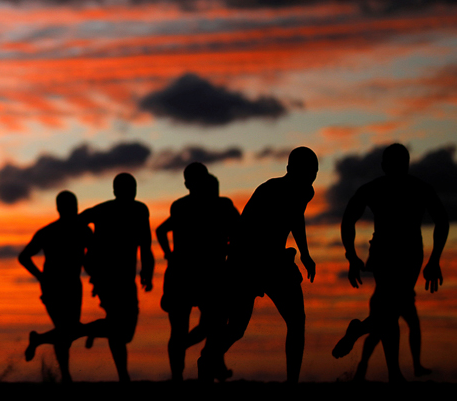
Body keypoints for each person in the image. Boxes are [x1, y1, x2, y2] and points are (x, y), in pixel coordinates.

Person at [199, 147, 318, 384]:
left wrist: (305, 254)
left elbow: (296, 218)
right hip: (248, 262)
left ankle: (292, 381)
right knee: (237, 328)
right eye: (303, 171)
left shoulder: (306, 191)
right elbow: (245, 230)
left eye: (311, 172)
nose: (308, 177)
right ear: (289, 170)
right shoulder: (270, 189)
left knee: (296, 320)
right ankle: (207, 360)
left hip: (275, 261)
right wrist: (234, 263)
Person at [331, 143, 448, 382]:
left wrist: (352, 256)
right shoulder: (419, 188)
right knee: (392, 310)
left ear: (384, 165)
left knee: (390, 310)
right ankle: (363, 335)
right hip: (407, 253)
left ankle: (393, 370)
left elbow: (348, 221)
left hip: (386, 252)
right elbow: (442, 221)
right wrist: (434, 259)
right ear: (406, 164)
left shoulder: (373, 189)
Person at [156, 165, 239, 381]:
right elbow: (241, 233)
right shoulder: (219, 205)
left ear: (187, 184)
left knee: (207, 325)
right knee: (211, 324)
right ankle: (194, 369)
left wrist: (169, 254)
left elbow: (161, 230)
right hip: (202, 274)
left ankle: (190, 369)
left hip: (188, 273)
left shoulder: (183, 206)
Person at [79, 172, 154, 382]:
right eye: (127, 188)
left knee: (124, 331)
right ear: (116, 191)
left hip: (126, 275)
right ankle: (123, 376)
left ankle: (91, 330)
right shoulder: (104, 210)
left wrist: (147, 271)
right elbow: (77, 222)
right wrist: (91, 243)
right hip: (106, 276)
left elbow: (146, 245)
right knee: (118, 327)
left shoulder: (140, 210)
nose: (131, 192)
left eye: (133, 188)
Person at [20, 190, 93, 383]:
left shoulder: (79, 230)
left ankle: (40, 341)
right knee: (66, 329)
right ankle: (66, 375)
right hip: (54, 284)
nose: (73, 210)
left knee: (68, 330)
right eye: (70, 206)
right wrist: (41, 277)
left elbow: (91, 257)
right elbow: (24, 257)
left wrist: (94, 277)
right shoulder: (51, 231)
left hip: (69, 284)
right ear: (61, 208)